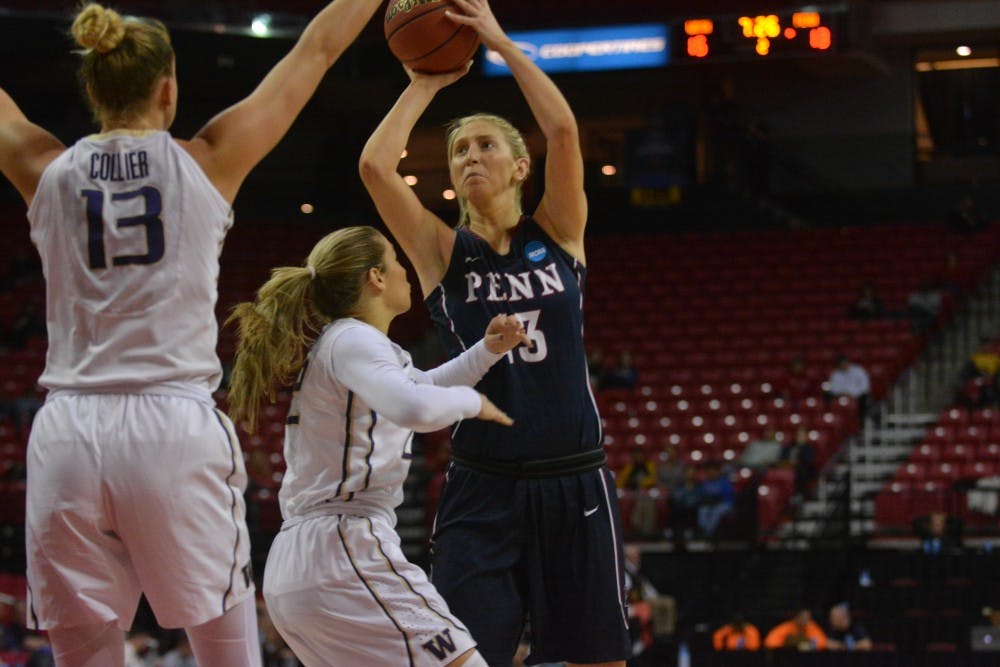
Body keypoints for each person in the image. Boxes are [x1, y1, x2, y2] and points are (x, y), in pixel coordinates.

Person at [0, 1, 384, 664]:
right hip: (170, 428)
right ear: (169, 89)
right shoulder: (206, 161)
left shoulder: (44, 168)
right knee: (227, 653)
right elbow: (315, 52)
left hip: (66, 434)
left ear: (92, 88)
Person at [358, 0, 631, 664]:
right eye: (458, 150)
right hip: (483, 484)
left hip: (574, 477)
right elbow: (373, 166)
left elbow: (563, 130)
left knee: (602, 658)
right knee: (459, 655)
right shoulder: (439, 250)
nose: (470, 156)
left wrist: (503, 45)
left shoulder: (559, 230)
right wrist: (423, 80)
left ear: (518, 167)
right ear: (450, 176)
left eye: (485, 145)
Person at [227, 226, 527, 666]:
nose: (406, 272)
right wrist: (472, 402)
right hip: (343, 548)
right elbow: (414, 407)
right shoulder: (353, 339)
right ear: (376, 278)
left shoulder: (349, 345)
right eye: (396, 261)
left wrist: (487, 350)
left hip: (301, 564)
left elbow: (420, 385)